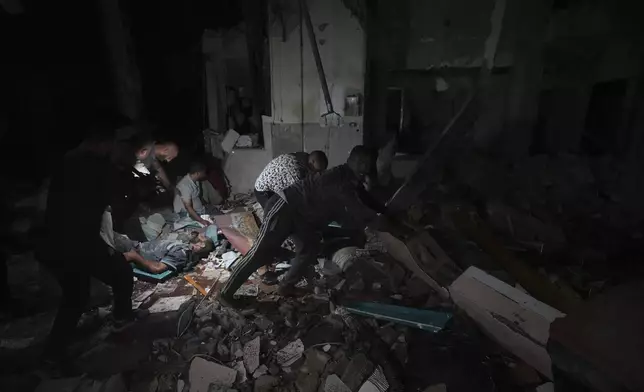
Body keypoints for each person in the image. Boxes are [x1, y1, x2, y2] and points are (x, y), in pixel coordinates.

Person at [220, 146, 391, 306]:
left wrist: (386, 211)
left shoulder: (349, 177)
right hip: (284, 207)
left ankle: (286, 286)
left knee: (309, 249)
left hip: (300, 215)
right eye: (369, 163)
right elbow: (358, 209)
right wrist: (385, 224)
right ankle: (225, 294)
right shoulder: (340, 180)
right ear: (361, 163)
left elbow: (365, 198)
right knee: (260, 253)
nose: (370, 168)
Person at [40, 124, 152, 360]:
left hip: (61, 240)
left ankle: (53, 352)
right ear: (103, 142)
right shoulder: (91, 165)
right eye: (114, 144)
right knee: (117, 275)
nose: (116, 149)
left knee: (77, 295)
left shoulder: (72, 160)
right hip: (75, 241)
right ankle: (120, 322)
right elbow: (101, 207)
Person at [253, 151, 328, 209]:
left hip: (274, 185)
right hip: (264, 191)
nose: (316, 174)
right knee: (276, 217)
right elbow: (299, 198)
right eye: (316, 171)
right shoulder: (295, 171)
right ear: (312, 162)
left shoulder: (301, 156)